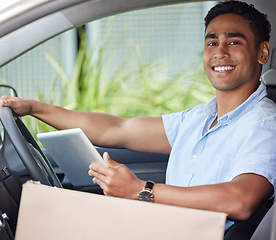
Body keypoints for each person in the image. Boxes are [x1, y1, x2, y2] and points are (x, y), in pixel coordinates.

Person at [0, 0, 275, 231]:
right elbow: (118, 129)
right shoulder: (199, 118)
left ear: (262, 52)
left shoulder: (264, 124)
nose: (220, 52)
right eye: (212, 43)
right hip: (163, 227)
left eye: (235, 41)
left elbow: (242, 199)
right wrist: (34, 108)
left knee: (44, 217)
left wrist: (141, 191)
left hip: (188, 234)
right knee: (48, 212)